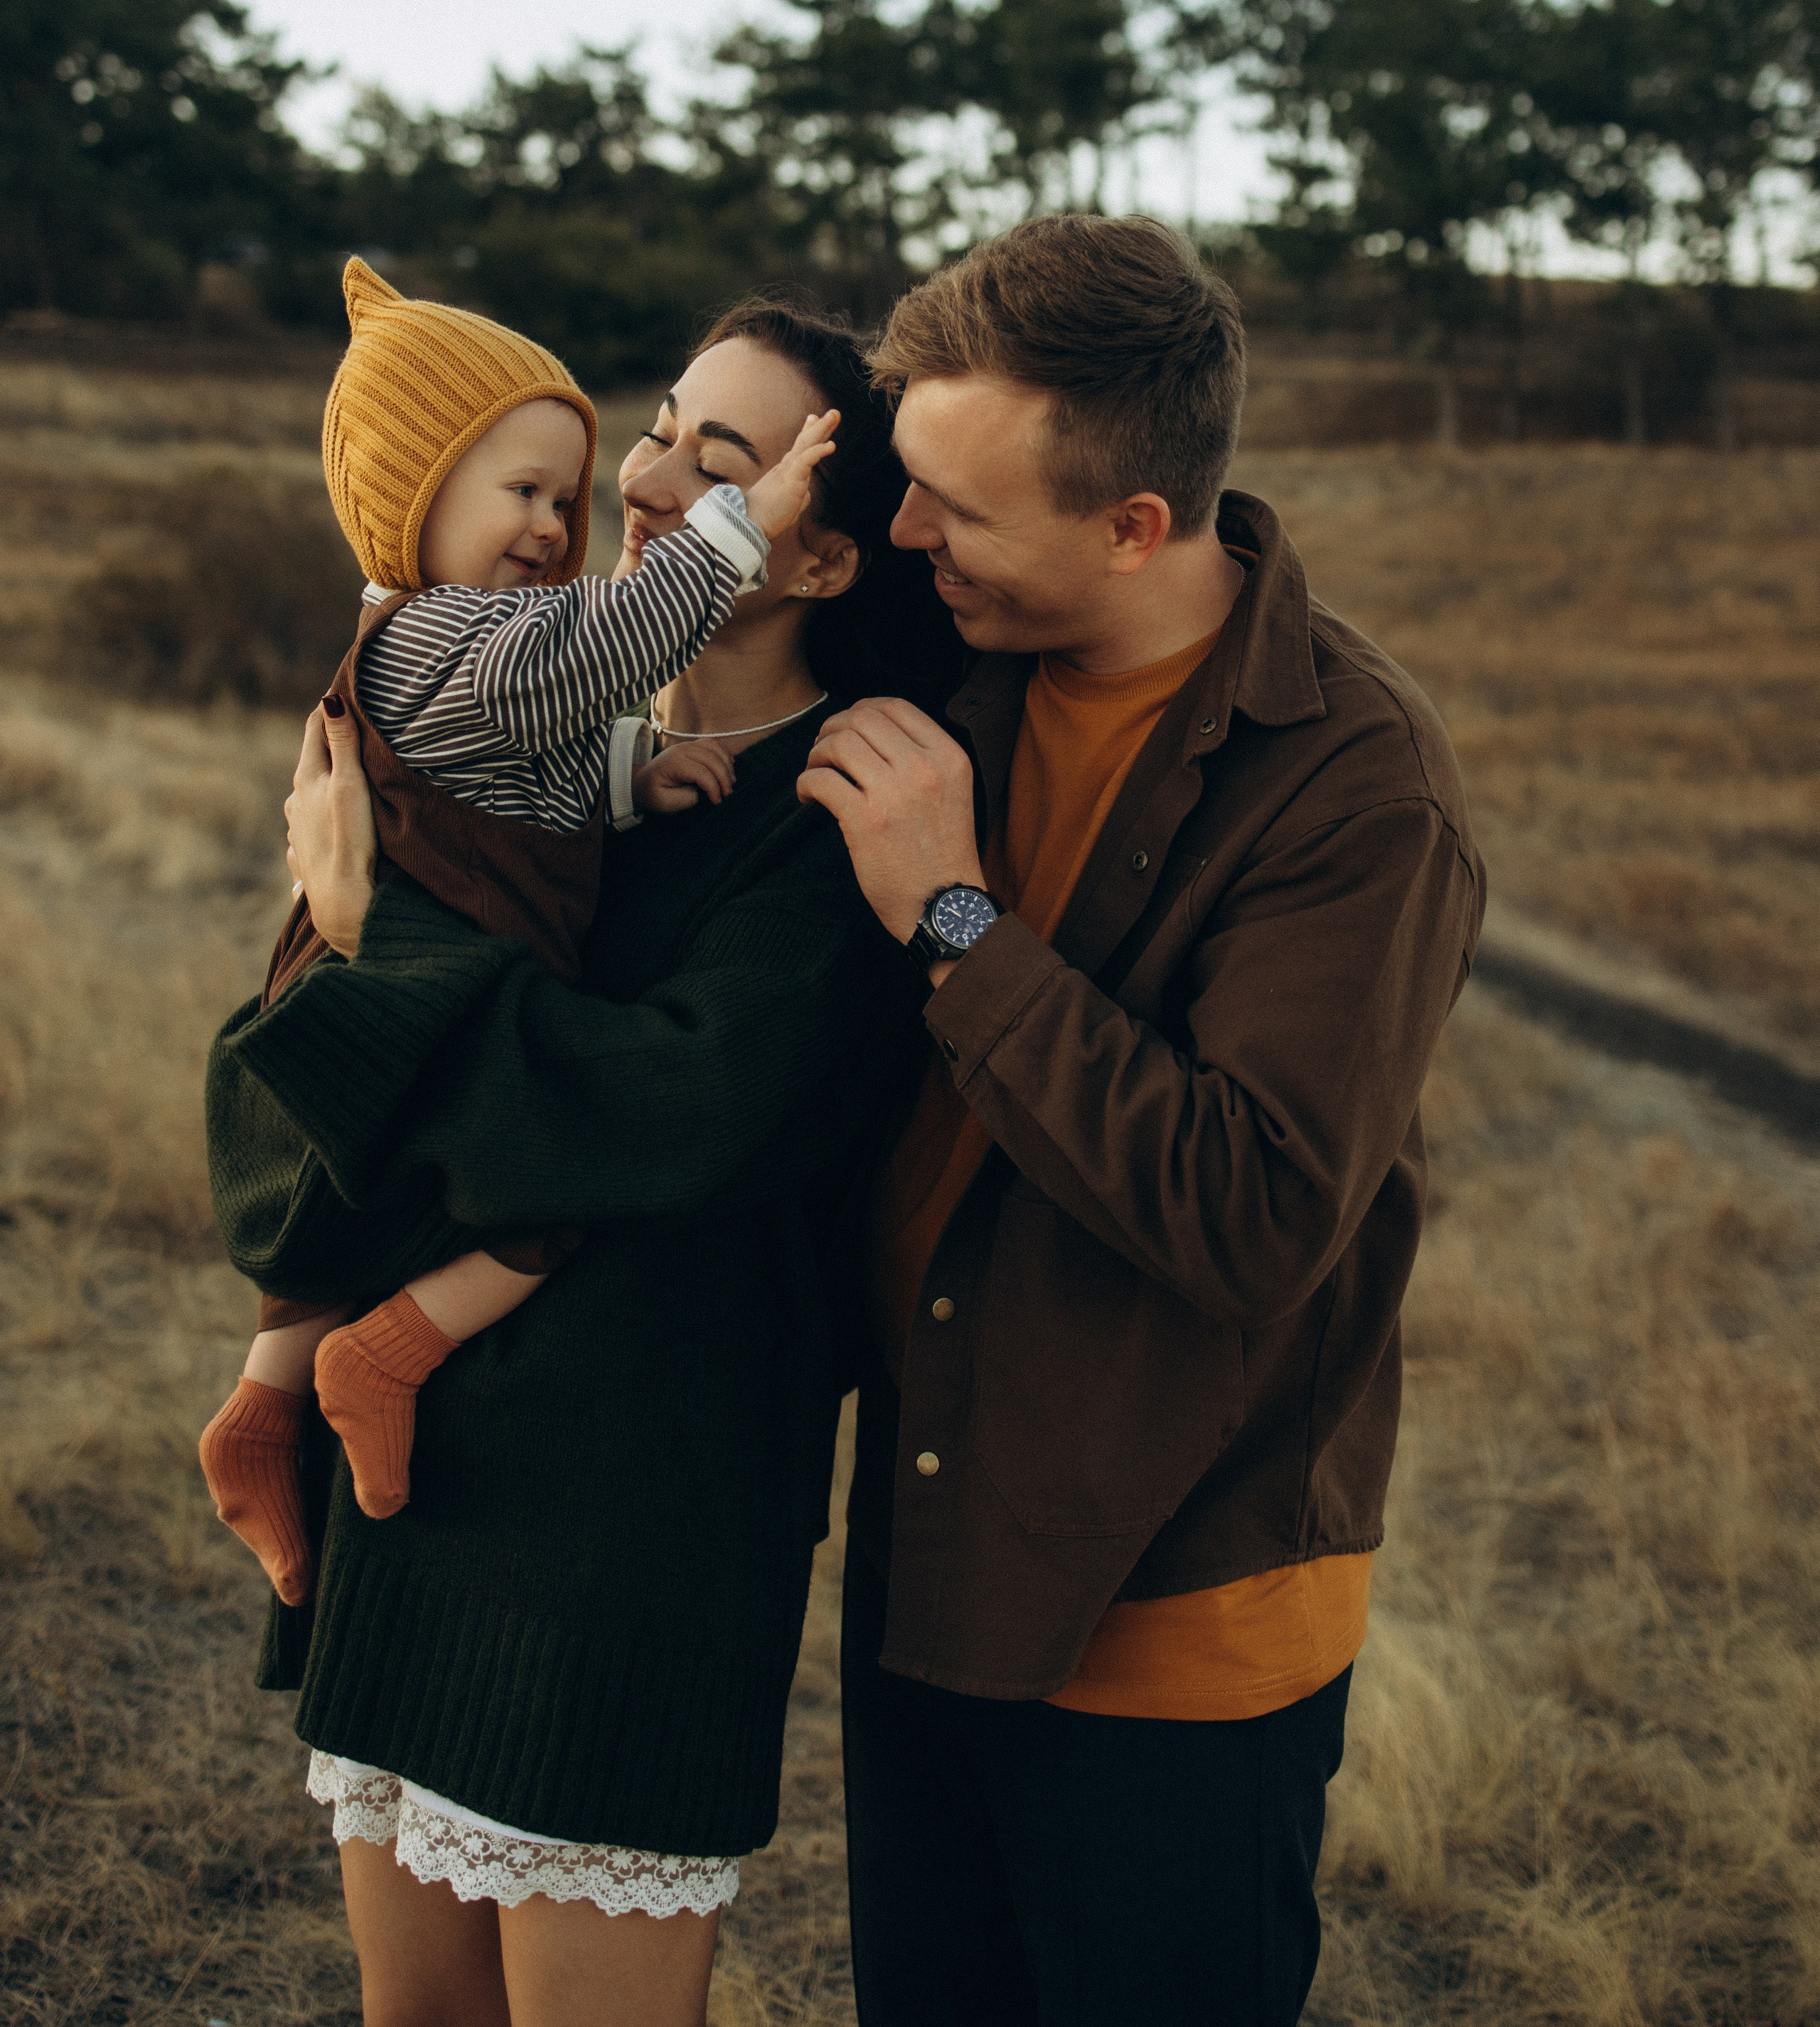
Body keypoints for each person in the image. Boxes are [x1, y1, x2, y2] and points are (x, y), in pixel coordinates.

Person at [205, 300, 955, 2027]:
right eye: (662, 424)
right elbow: (274, 1108)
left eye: (723, 460)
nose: (645, 477)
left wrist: (374, 936)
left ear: (822, 557)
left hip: (631, 1513)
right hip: (413, 1473)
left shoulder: (840, 811)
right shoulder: (528, 756)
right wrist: (347, 951)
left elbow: (650, 1114)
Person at [798, 214, 1487, 2027]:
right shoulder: (955, 653)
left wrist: (955, 918)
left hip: (1173, 1607)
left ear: (1133, 523)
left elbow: (1251, 1206)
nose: (906, 530)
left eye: (957, 502)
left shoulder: (1356, 786)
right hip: (933, 1539)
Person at [200, 257, 839, 1606]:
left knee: (366, 1193)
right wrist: (748, 519)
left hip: (404, 958)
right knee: (496, 1204)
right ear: (415, 504)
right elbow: (600, 651)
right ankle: (361, 1363)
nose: (566, 522)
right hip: (402, 975)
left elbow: (531, 764)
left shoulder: (474, 651)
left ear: (836, 565)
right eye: (525, 493)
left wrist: (633, 776)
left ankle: (272, 1398)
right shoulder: (456, 637)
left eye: (564, 493)